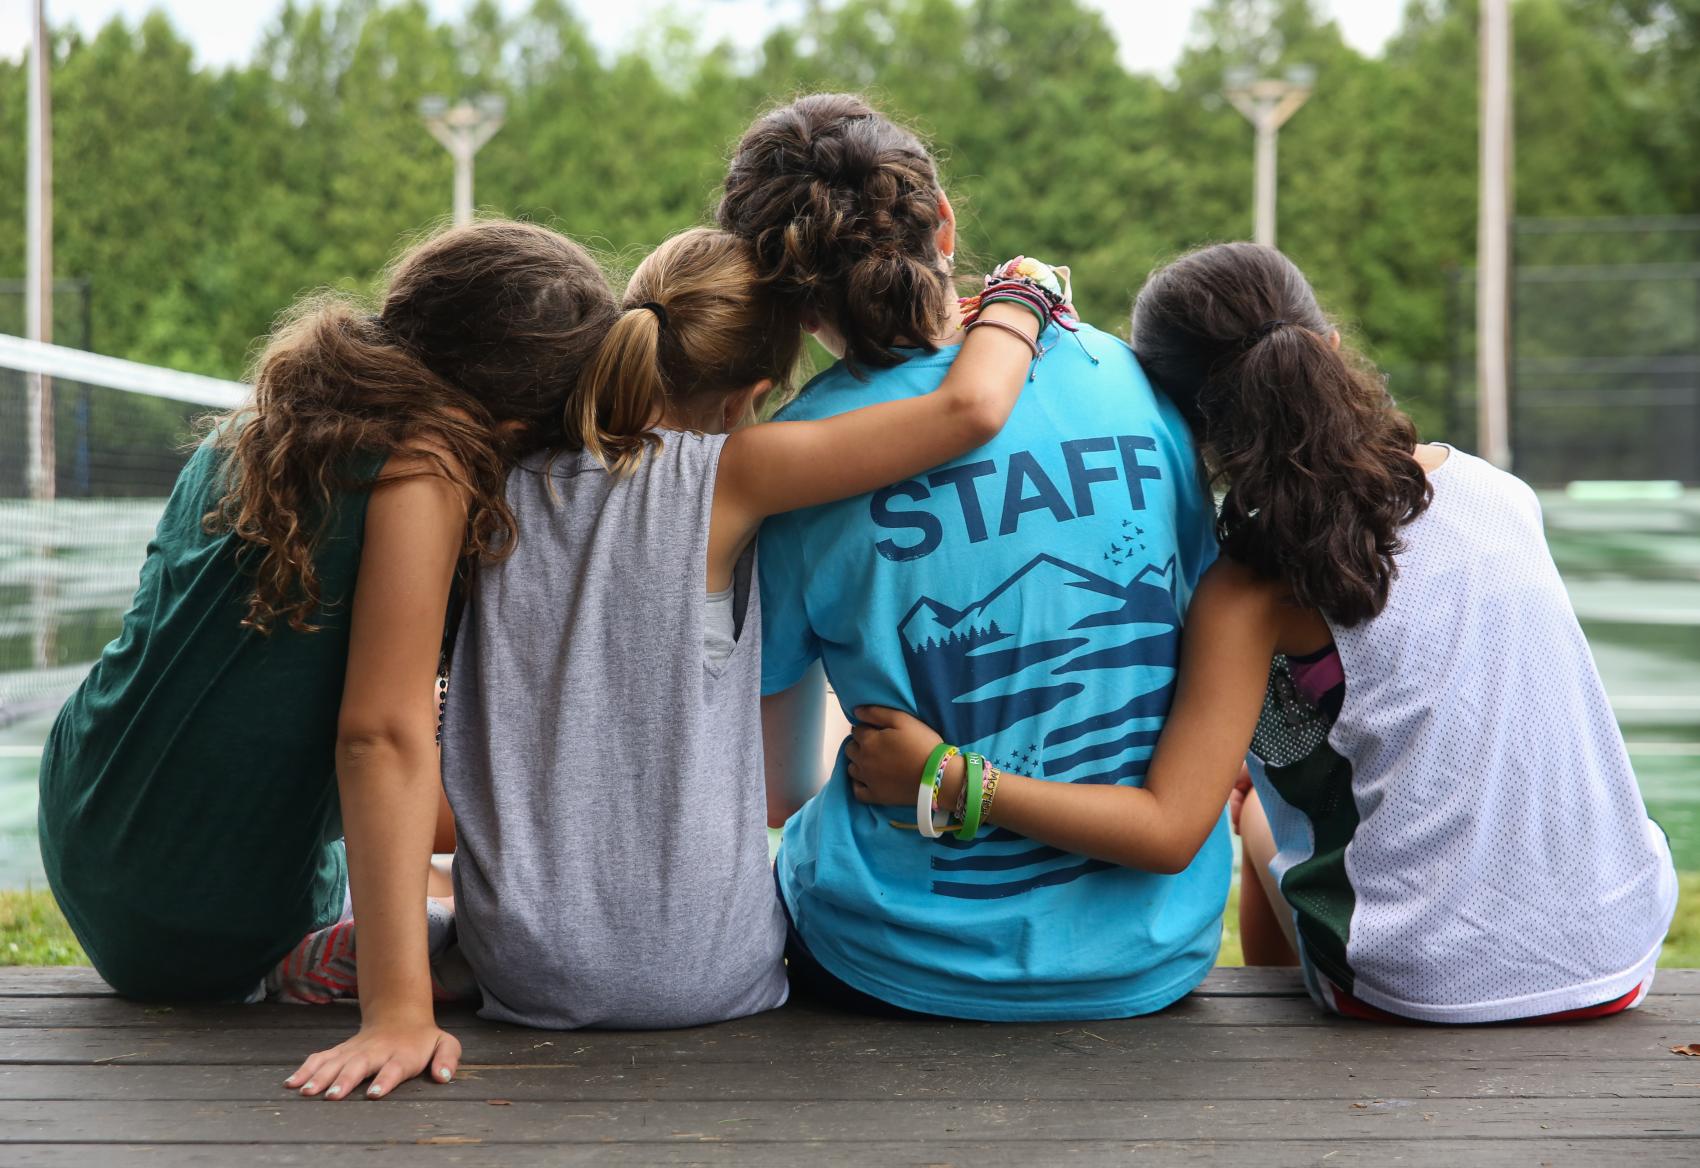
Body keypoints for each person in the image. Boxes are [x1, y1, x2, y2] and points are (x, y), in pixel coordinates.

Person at [849, 241, 1678, 1024]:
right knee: (1260, 794)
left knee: (1250, 818)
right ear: (1329, 344)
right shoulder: (1499, 492)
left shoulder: (1249, 591)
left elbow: (1169, 832)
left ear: (1186, 427)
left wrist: (953, 779)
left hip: (1426, 982)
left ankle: (1286, 1030)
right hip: (1619, 951)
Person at [37, 220, 619, 1101]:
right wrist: (397, 1011)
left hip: (91, 815)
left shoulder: (264, 425)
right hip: (198, 922)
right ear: (509, 420)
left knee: (442, 852)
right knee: (525, 944)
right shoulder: (425, 465)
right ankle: (312, 964)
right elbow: (380, 738)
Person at [435, 227, 1046, 1030]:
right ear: (748, 396)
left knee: (439, 889)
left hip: (522, 968)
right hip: (714, 974)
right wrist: (1024, 293)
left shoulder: (502, 478)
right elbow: (968, 410)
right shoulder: (734, 473)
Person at [718, 94, 1229, 1021]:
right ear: (943, 224)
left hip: (891, 959)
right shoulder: (1128, 375)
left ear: (779, 295)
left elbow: (778, 786)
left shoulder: (790, 465)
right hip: (1154, 952)